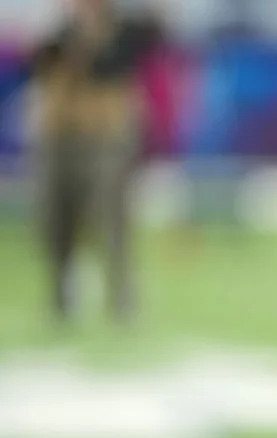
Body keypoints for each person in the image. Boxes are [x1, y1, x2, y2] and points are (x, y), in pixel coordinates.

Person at [29, 0, 160, 322]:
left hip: (106, 137)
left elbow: (111, 63)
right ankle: (60, 298)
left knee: (112, 220)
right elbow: (36, 62)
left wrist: (86, 38)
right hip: (60, 135)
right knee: (57, 220)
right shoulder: (56, 31)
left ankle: (122, 301)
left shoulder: (124, 30)